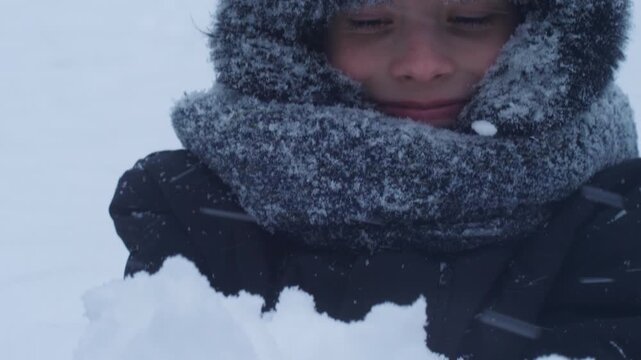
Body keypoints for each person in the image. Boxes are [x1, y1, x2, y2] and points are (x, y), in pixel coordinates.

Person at [110, 0, 641, 358]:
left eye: (470, 17)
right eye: (369, 21)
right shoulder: (193, 205)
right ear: (302, 34)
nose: (421, 64)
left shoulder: (616, 216)